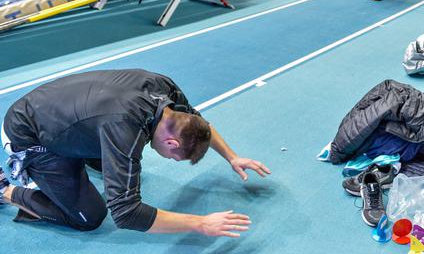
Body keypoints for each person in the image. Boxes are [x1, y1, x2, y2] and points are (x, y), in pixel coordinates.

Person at [0, 69, 270, 236]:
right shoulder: (123, 129)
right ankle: (5, 191)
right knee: (89, 217)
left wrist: (232, 156)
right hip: (32, 135)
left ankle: (75, 156)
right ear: (172, 144)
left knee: (126, 172)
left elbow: (199, 123)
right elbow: (127, 214)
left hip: (64, 112)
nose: (173, 160)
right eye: (176, 158)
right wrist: (200, 224)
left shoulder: (165, 90)